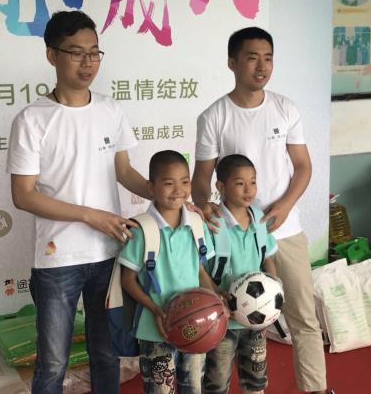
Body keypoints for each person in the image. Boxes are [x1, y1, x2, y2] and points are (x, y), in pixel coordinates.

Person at [7, 11, 152, 393]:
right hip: (58, 259)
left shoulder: (110, 110)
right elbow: (23, 195)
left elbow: (124, 171)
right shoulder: (32, 119)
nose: (87, 63)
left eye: (94, 53)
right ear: (52, 55)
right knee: (53, 363)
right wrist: (91, 216)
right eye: (76, 52)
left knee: (106, 353)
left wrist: (168, 196)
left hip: (109, 252)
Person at [192, 27, 332, 394]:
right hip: (235, 237)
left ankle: (315, 389)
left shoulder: (285, 109)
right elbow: (201, 179)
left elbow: (303, 166)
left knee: (304, 317)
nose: (262, 66)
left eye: (268, 58)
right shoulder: (214, 116)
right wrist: (206, 209)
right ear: (232, 63)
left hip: (284, 230)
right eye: (252, 58)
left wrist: (285, 205)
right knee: (228, 319)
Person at [119, 150, 217, 394]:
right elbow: (128, 280)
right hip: (156, 329)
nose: (178, 190)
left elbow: (200, 271)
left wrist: (216, 299)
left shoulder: (197, 224)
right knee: (160, 390)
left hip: (196, 327)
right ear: (151, 187)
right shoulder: (141, 229)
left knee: (193, 387)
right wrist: (155, 309)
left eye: (185, 182)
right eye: (168, 183)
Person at [202, 154, 279, 394]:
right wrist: (215, 293)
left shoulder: (259, 218)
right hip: (223, 319)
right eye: (240, 183)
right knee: (217, 379)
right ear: (221, 187)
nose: (249, 189)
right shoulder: (212, 223)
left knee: (256, 376)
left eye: (253, 182)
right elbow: (198, 267)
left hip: (257, 318)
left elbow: (268, 257)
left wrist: (274, 286)